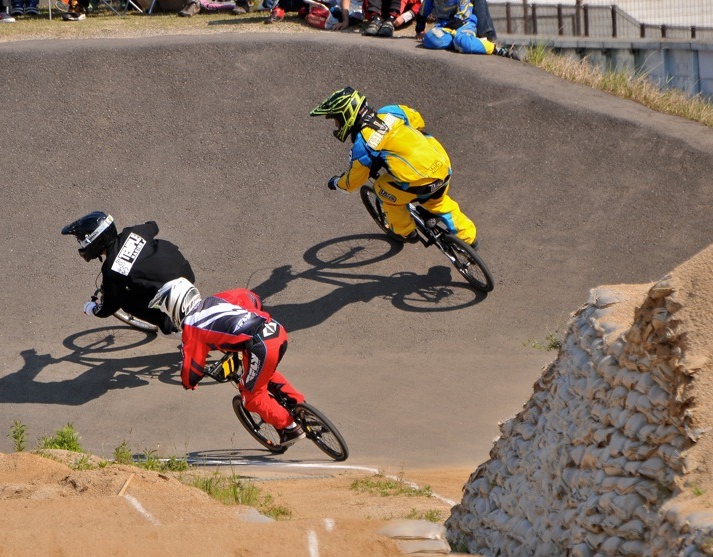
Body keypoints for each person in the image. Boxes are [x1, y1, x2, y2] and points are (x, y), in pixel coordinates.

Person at [311, 86, 479, 247]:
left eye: (336, 119)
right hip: (442, 166)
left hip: (419, 182)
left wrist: (336, 183)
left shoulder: (363, 145)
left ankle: (405, 231)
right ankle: (468, 237)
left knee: (381, 189)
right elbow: (417, 120)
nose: (335, 125)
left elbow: (353, 181)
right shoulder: (391, 111)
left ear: (346, 115)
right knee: (438, 202)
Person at [149, 278, 307, 446]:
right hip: (275, 330)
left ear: (175, 307)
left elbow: (191, 371)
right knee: (264, 375)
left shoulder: (191, 327)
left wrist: (189, 383)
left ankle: (290, 427)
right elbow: (251, 297)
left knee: (252, 397)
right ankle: (299, 406)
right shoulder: (214, 300)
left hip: (260, 346)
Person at [61, 211, 196, 336]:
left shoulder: (111, 269)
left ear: (94, 242)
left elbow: (109, 306)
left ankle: (172, 328)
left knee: (124, 301)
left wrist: (94, 309)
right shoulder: (132, 232)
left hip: (174, 292)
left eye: (81, 241)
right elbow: (153, 226)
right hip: (186, 273)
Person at [414, 0, 514, 57]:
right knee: (429, 39)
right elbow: (423, 11)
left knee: (463, 41)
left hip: (464, 23)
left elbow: (462, 16)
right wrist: (420, 29)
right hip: (444, 27)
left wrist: (450, 28)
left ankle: (494, 48)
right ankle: (457, 43)